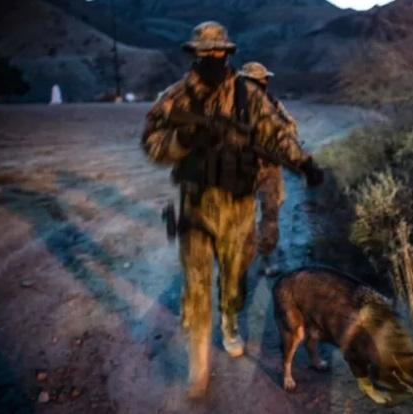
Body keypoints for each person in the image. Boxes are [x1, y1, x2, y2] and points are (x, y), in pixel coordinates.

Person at [140, 21, 323, 398]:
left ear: (227, 54)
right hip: (196, 203)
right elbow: (152, 142)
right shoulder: (177, 96)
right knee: (196, 281)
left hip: (238, 206)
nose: (212, 58)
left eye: (218, 53)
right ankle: (199, 361)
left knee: (234, 277)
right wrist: (183, 137)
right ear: (194, 55)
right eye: (205, 53)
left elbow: (277, 134)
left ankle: (229, 321)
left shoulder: (247, 95)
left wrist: (303, 163)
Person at [238, 62, 295, 257]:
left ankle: (248, 254)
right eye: (263, 79)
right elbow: (290, 130)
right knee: (269, 212)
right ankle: (265, 256)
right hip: (264, 168)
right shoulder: (272, 103)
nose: (264, 82)